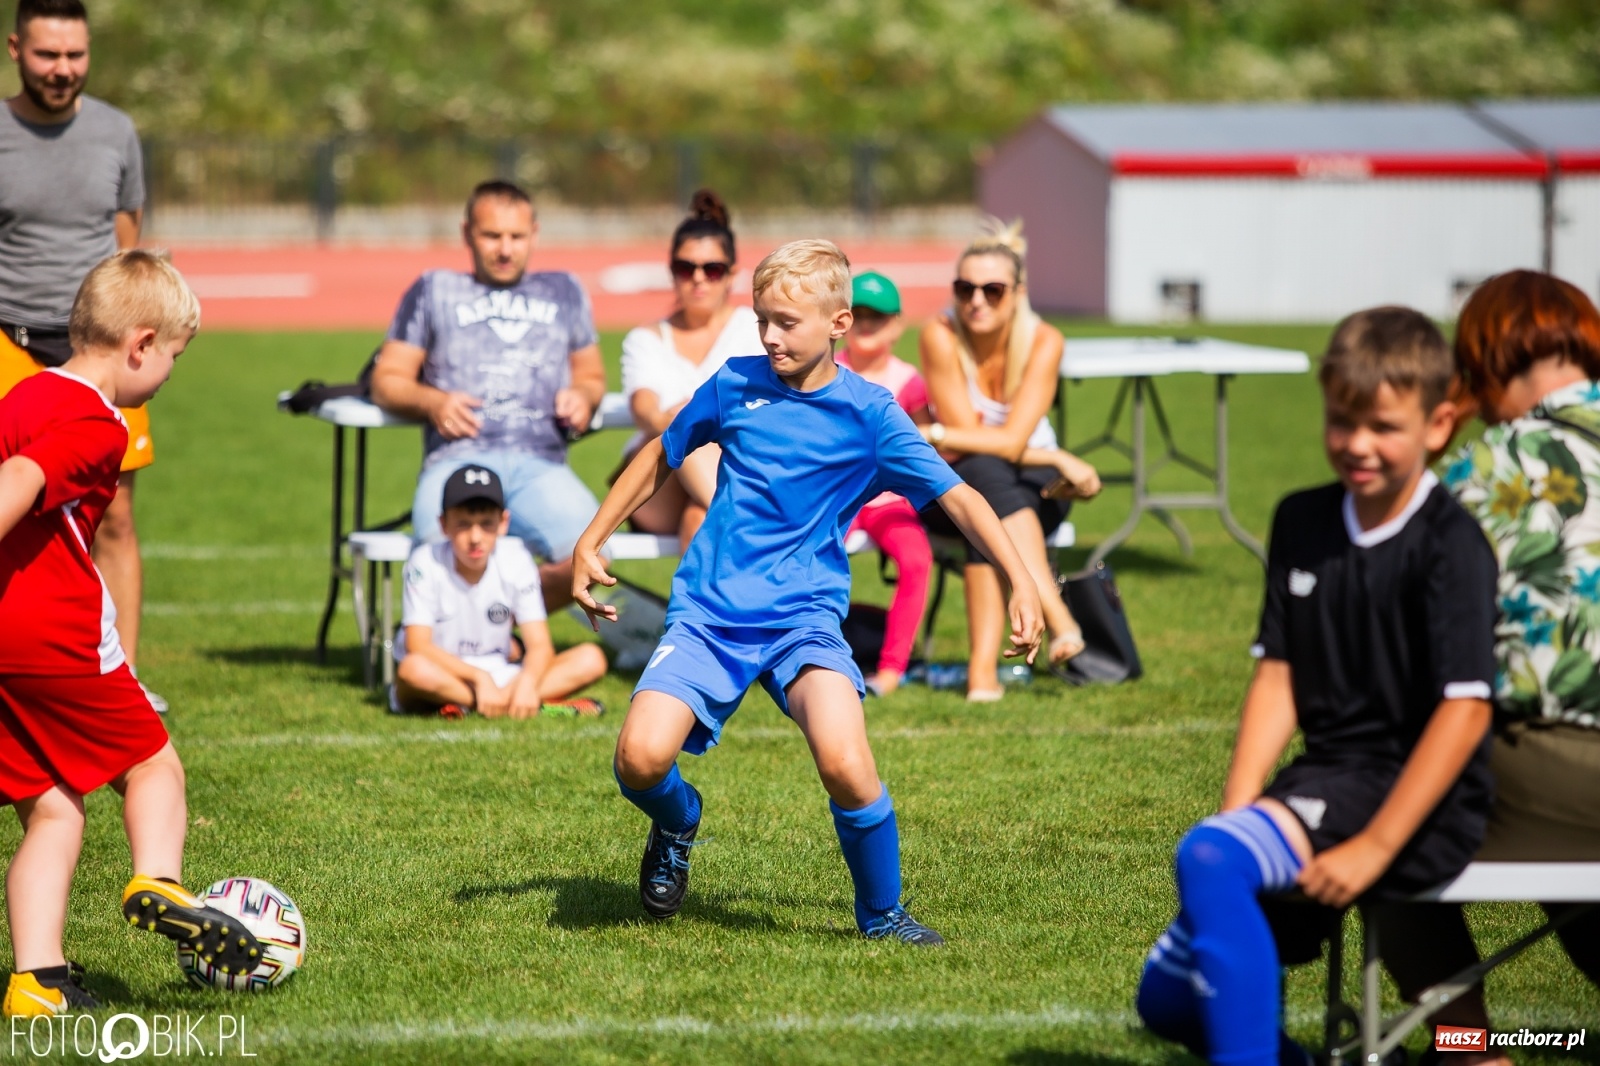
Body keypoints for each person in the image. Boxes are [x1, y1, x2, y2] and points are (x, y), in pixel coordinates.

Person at [571, 240, 1045, 944]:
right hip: (710, 614)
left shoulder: (872, 416)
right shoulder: (734, 384)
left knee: (848, 765)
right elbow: (660, 453)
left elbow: (963, 498)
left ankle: (882, 916)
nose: (769, 335)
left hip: (803, 620)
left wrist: (1021, 580)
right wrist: (592, 536)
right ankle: (677, 820)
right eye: (763, 318)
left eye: (786, 322)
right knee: (639, 760)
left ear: (839, 323)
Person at [1134, 307, 1499, 1066]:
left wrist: (1374, 848)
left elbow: (1465, 710)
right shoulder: (1301, 518)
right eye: (1341, 421)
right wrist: (1239, 804)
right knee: (1164, 1001)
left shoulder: (1451, 543)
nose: (1357, 445)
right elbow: (1279, 670)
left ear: (1439, 424)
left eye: (1384, 428)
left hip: (1411, 792)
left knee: (1209, 858)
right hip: (1327, 780)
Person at [0, 251, 263, 1018]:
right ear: (140, 345)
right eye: (174, 358)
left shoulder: (21, 393)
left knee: (50, 807)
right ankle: (159, 879)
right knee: (153, 766)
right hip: (54, 633)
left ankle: (37, 982)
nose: (170, 376)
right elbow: (24, 479)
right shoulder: (94, 423)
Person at [1374, 271, 1600, 1045]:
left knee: (1378, 805)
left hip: (1553, 766)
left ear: (1487, 359)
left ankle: (1470, 1050)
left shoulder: (1488, 470)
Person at [1, 0, 162, 711]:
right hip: (9, 345)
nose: (62, 70)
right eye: (47, 55)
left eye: (75, 55)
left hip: (101, 353)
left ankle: (120, 678)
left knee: (117, 515)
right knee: (12, 508)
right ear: (15, 49)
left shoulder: (116, 132)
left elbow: (127, 246)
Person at [370, 179, 606, 612]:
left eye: (516, 237)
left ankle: (494, 624)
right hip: (459, 457)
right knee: (436, 551)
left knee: (592, 556)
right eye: (492, 235)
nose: (504, 249)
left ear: (534, 234)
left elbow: (592, 374)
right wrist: (432, 402)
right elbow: (387, 379)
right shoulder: (434, 289)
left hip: (541, 463)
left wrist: (583, 395)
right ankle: (484, 639)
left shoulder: (564, 290)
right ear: (467, 234)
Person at [918, 221, 1102, 701]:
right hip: (972, 478)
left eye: (992, 290)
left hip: (1038, 484)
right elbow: (971, 444)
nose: (976, 300)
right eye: (965, 288)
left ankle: (984, 673)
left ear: (1018, 293)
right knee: (981, 479)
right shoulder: (939, 334)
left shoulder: (1045, 340)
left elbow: (1005, 438)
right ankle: (1057, 620)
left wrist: (936, 432)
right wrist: (1060, 454)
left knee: (983, 493)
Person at [392, 464, 607, 719]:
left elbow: (540, 645)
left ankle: (474, 703)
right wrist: (479, 678)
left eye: (486, 524)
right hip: (445, 671)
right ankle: (520, 704)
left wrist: (527, 681)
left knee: (591, 658)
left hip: (503, 673)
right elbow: (418, 646)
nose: (475, 537)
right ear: (443, 524)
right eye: (463, 524)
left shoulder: (516, 557)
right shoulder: (424, 560)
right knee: (412, 670)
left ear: (503, 522)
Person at [620, 189, 760, 548]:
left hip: (736, 470)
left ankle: (696, 606)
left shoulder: (757, 330)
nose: (698, 278)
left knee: (700, 521)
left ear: (732, 274)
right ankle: (751, 526)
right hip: (656, 487)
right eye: (686, 268)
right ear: (672, 272)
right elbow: (645, 409)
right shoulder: (646, 339)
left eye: (712, 269)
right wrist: (684, 420)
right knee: (688, 424)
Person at [836, 270, 934, 696]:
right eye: (857, 314)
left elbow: (926, 445)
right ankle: (804, 651)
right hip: (836, 496)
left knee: (916, 560)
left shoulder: (908, 382)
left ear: (897, 324)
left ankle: (891, 668)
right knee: (813, 556)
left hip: (889, 500)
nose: (866, 324)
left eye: (877, 316)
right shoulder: (827, 368)